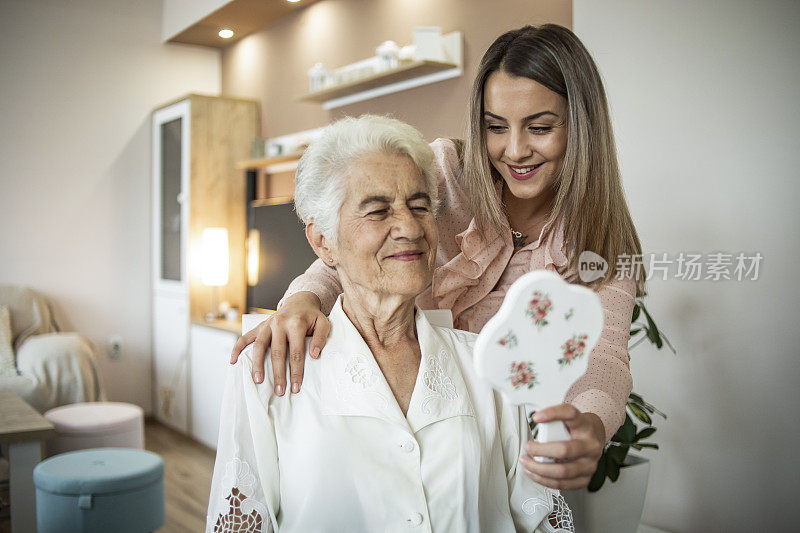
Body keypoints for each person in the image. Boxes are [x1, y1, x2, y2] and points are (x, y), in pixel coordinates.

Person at [230, 24, 644, 491]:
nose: (514, 150)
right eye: (495, 127)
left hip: (506, 456)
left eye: (540, 128)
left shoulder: (604, 241)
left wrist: (590, 424)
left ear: (581, 126)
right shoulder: (446, 173)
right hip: (408, 416)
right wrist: (301, 301)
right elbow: (351, 247)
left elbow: (605, 356)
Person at [207, 115, 572, 532]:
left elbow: (537, 519)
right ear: (322, 241)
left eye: (420, 206)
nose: (410, 227)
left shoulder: (487, 365)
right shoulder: (266, 371)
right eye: (378, 211)